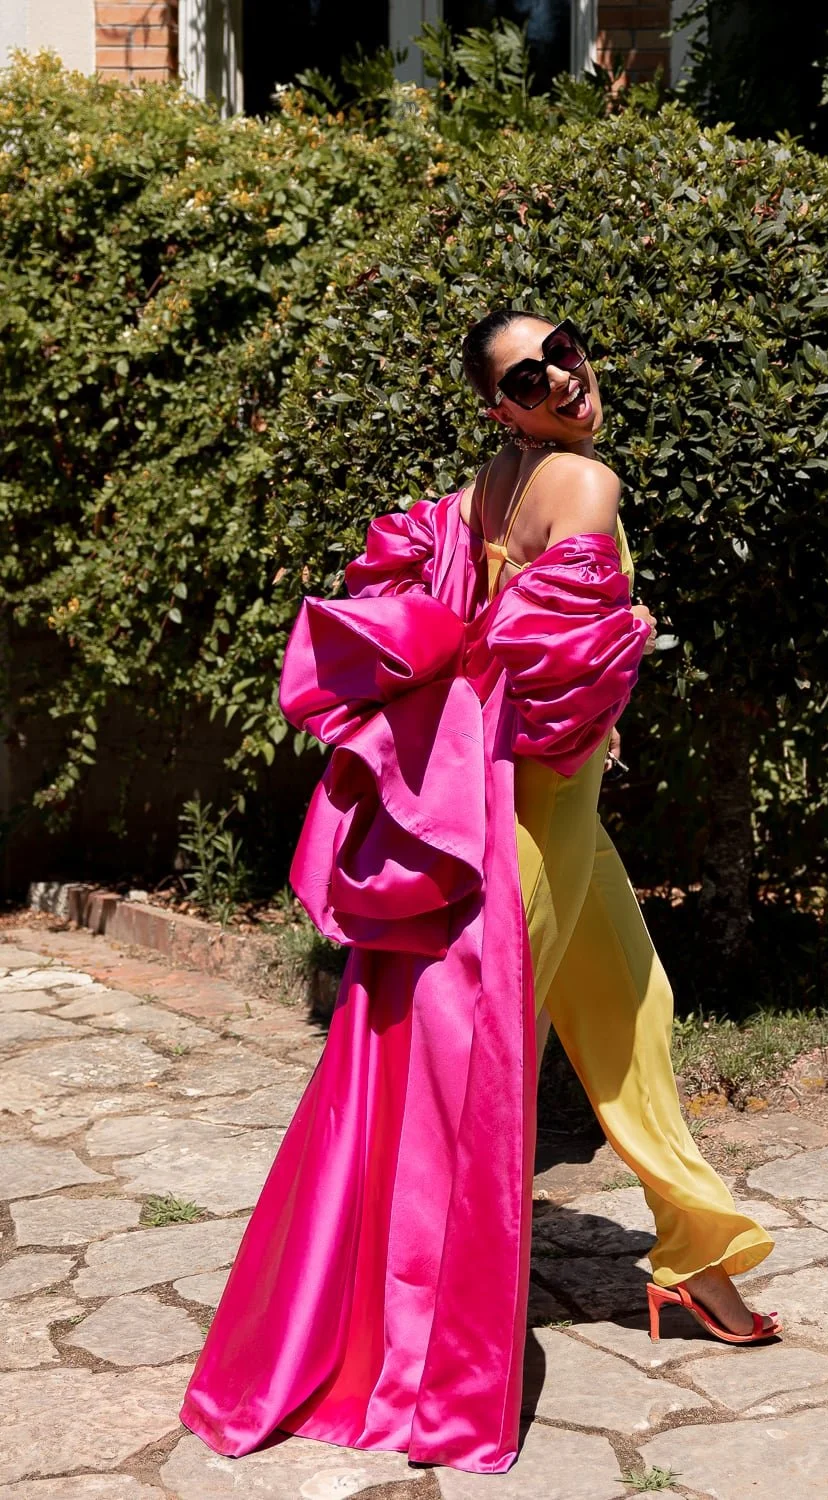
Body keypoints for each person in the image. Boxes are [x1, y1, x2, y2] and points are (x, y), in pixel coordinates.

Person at [179, 308, 777, 1478]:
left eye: (565, 347)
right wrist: (624, 644)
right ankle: (420, 1362)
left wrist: (604, 640)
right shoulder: (583, 484)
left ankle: (693, 1258)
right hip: (529, 843)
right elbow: (550, 712)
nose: (562, 376)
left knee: (637, 1020)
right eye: (527, 373)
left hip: (560, 829)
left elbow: (478, 640)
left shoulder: (491, 484)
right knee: (467, 1096)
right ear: (500, 403)